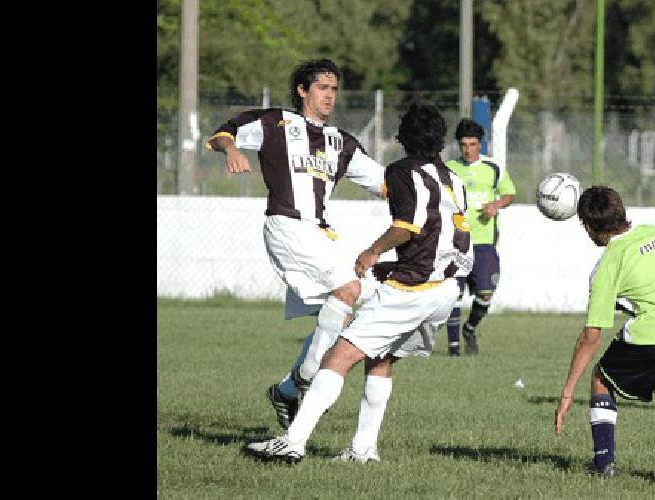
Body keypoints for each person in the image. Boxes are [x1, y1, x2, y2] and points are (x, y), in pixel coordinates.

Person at [243, 102, 473, 464]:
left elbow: (406, 227)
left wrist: (371, 254)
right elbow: (442, 233)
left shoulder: (401, 172)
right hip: (445, 289)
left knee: (338, 357)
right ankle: (363, 449)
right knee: (381, 360)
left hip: (412, 290)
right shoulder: (453, 179)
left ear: (401, 138)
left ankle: (293, 441)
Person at [205, 58, 385, 430]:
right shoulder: (275, 123)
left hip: (320, 233)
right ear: (303, 90)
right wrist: (233, 150)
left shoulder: (341, 142)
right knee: (350, 289)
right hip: (286, 225)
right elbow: (225, 132)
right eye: (322, 88)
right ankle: (306, 378)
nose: (329, 96)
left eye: (334, 89)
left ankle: (288, 389)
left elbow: (385, 184)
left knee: (358, 305)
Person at [554, 186, 655, 490]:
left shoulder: (608, 263)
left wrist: (567, 392)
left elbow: (591, 335)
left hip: (651, 334)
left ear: (588, 228)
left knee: (602, 378)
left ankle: (603, 464)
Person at [443, 118, 516, 355]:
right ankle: (454, 349)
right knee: (453, 294)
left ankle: (470, 327)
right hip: (456, 242)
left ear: (480, 145)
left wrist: (496, 204)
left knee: (486, 292)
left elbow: (508, 194)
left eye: (472, 144)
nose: (467, 149)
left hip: (484, 242)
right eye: (463, 144)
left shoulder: (493, 168)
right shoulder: (449, 168)